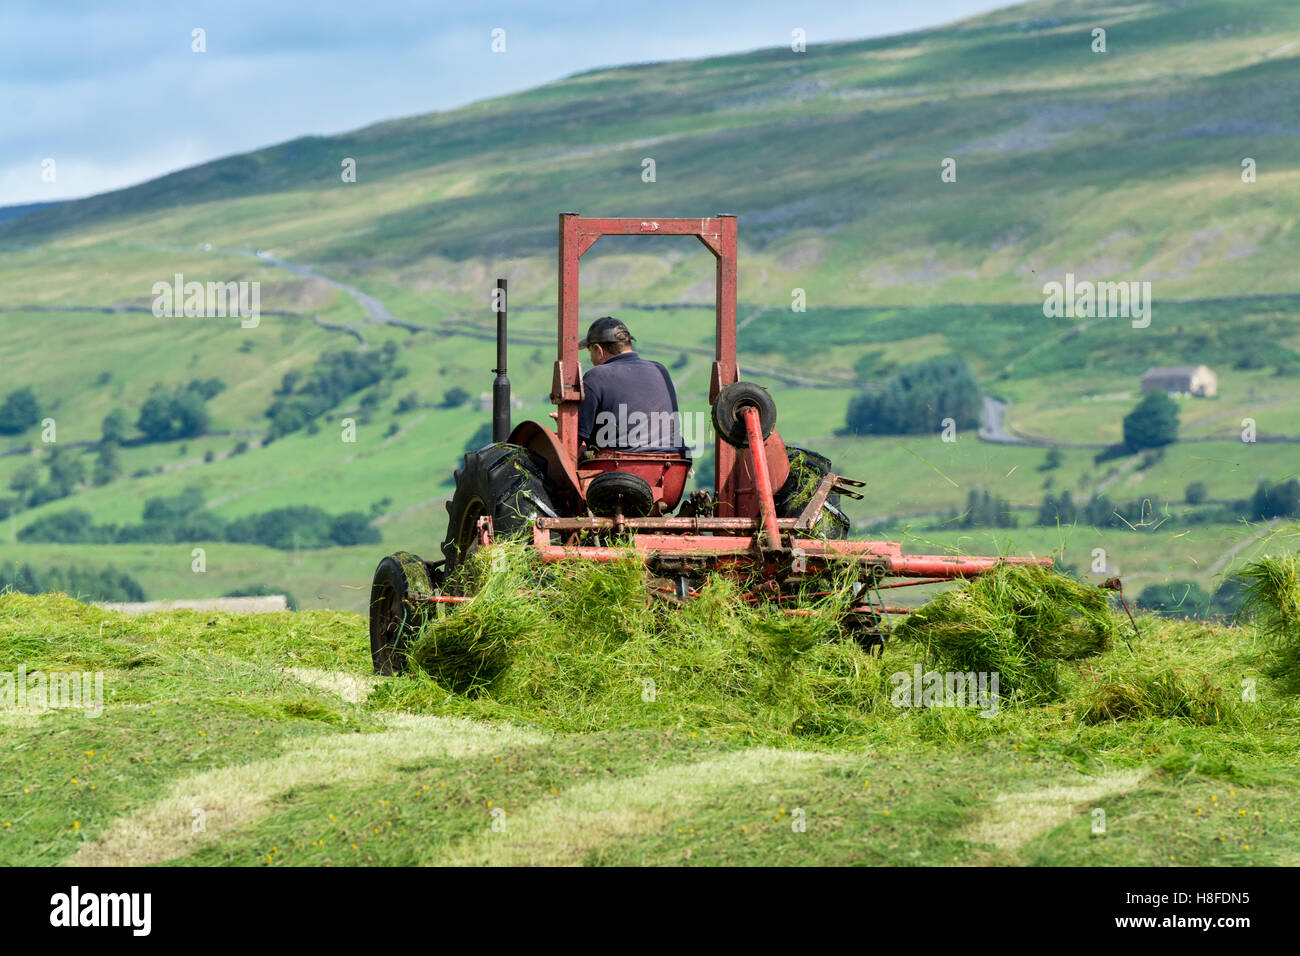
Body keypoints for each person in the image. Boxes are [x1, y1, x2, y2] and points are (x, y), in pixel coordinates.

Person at [576, 316, 684, 455]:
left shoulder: (596, 376)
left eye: (590, 352)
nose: (591, 359)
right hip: (671, 464)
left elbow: (576, 440)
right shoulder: (660, 369)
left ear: (598, 350)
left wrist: (568, 424)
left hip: (620, 466)